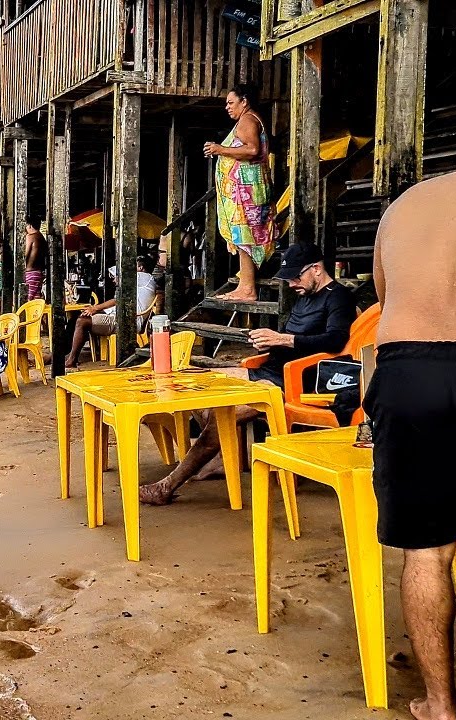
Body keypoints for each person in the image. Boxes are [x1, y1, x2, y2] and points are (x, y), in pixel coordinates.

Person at [367, 127, 456, 720]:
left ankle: (441, 706)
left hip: (409, 370)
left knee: (425, 551)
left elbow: (382, 292)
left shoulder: (407, 203)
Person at [138, 243, 353, 505]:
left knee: (220, 417)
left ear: (317, 269)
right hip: (269, 370)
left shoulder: (338, 296)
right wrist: (268, 342)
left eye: (296, 276)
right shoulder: (305, 294)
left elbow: (334, 341)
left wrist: (283, 339)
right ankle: (217, 458)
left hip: (292, 380)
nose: (292, 283)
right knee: (198, 383)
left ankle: (166, 486)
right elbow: (293, 336)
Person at [206, 84, 275, 302]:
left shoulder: (247, 120)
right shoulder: (250, 119)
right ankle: (245, 285)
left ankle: (247, 289)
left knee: (245, 237)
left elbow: (252, 149)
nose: (227, 107)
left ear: (244, 101)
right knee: (243, 237)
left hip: (246, 193)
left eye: (230, 102)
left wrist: (220, 149)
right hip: (247, 191)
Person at [63, 256, 159, 368]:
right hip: (118, 316)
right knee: (78, 318)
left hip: (127, 321)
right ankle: (68, 354)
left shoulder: (145, 277)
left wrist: (96, 308)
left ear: (141, 268)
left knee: (82, 321)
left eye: (133, 266)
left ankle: (71, 360)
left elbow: (116, 279)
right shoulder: (139, 283)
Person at [23, 217, 47, 301]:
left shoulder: (30, 237)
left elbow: (24, 254)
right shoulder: (41, 238)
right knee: (36, 301)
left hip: (30, 273)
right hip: (39, 273)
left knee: (27, 301)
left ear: (29, 226)